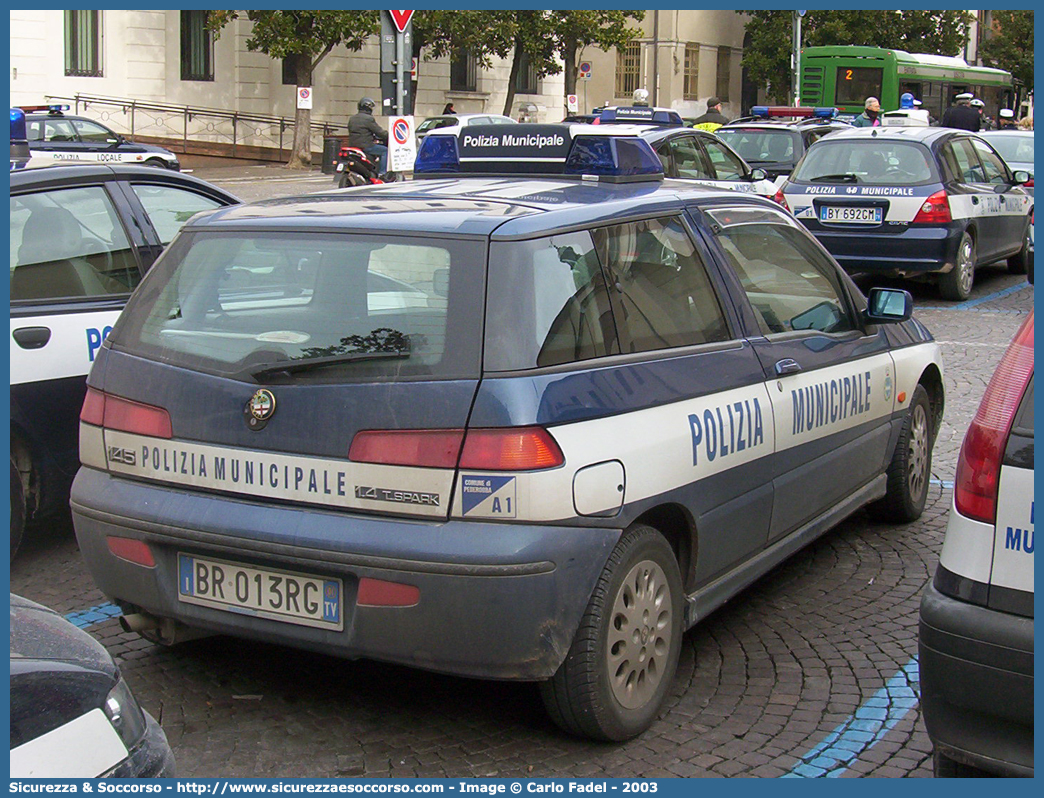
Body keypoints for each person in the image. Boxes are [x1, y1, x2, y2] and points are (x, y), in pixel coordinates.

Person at [348, 97, 389, 174]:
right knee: (385, 151)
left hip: (353, 145)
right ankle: (382, 173)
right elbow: (379, 132)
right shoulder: (368, 119)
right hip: (366, 146)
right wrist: (389, 135)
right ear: (368, 108)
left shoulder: (352, 118)